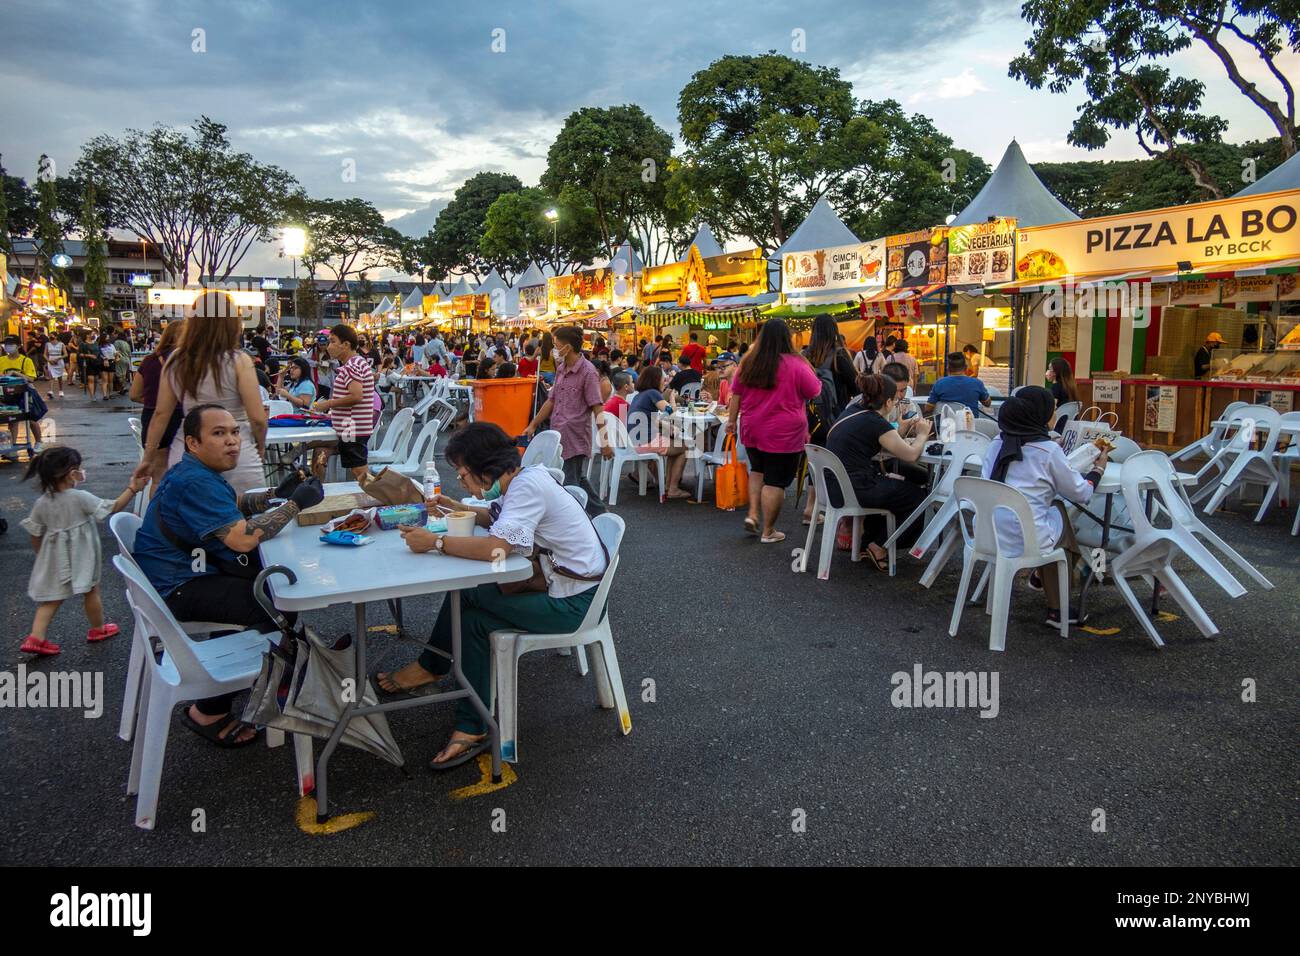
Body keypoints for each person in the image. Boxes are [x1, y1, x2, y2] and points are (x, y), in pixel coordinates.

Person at [377, 423, 608, 768]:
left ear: (485, 469)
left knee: (469, 601)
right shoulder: (523, 479)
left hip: (574, 604)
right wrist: (456, 505)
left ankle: (442, 682)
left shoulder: (527, 487)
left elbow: (496, 548)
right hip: (571, 589)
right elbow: (499, 518)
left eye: (463, 474)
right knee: (470, 608)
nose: (461, 482)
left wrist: (436, 542)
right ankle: (457, 702)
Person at [133, 404, 324, 745]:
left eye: (235, 432)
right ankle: (210, 709)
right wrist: (296, 504)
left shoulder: (193, 472)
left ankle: (263, 679)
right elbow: (241, 539)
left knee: (263, 587)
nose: (232, 441)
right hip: (179, 586)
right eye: (218, 434)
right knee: (276, 600)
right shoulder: (195, 482)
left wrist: (275, 495)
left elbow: (232, 506)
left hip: (179, 574)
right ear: (192, 443)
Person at [982, 386, 1106, 627]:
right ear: (1039, 415)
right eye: (1053, 409)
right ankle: (1057, 606)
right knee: (1060, 517)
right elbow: (1081, 493)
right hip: (1026, 537)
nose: (1055, 414)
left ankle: (1043, 579)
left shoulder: (996, 443)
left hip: (988, 532)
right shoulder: (1047, 451)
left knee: (1054, 513)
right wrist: (1098, 470)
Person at [18, 447, 145, 656]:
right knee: (91, 590)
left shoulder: (42, 502)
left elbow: (35, 532)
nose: (82, 472)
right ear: (71, 473)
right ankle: (98, 629)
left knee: (51, 599)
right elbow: (111, 508)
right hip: (81, 556)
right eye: (79, 468)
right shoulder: (80, 497)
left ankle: (36, 637)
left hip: (53, 558)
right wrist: (133, 489)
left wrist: (41, 555)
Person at [138, 297, 268, 496]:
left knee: (189, 518)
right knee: (245, 518)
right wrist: (259, 447)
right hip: (235, 450)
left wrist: (148, 458)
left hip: (189, 448)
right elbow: (258, 419)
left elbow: (161, 414)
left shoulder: (175, 360)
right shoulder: (239, 361)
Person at [725, 318, 821, 543]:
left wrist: (731, 421)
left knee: (757, 470)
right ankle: (768, 530)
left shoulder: (748, 362)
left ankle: (753, 514)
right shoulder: (797, 364)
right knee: (775, 481)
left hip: (752, 427)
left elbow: (735, 396)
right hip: (784, 432)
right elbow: (814, 390)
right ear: (786, 338)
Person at [824, 374, 933, 571]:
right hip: (855, 488)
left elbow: (881, 440)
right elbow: (910, 454)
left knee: (892, 489)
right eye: (896, 400)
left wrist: (900, 428)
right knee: (918, 497)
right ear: (889, 401)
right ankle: (880, 546)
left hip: (834, 486)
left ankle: (868, 543)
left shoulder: (855, 411)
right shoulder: (875, 421)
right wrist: (923, 434)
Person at [524, 325, 611, 497]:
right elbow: (551, 400)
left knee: (569, 485)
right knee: (576, 479)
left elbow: (597, 407)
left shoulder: (588, 372)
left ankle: (578, 520)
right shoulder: (562, 368)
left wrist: (605, 441)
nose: (554, 349)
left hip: (575, 436)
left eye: (556, 345)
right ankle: (599, 513)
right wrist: (533, 424)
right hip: (559, 433)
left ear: (568, 347)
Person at [803, 314, 859, 525]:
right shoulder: (839, 356)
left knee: (815, 461)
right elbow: (856, 387)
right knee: (834, 462)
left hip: (810, 417)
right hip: (836, 418)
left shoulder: (806, 356)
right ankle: (836, 507)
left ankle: (811, 507)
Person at [308, 323, 376, 481]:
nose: (328, 346)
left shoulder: (352, 366)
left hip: (352, 428)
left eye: (332, 341)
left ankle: (381, 497)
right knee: (357, 469)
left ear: (346, 345)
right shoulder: (354, 364)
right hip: (350, 427)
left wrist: (329, 404)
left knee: (360, 472)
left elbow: (357, 396)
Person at [626, 365, 691, 499]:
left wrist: (666, 426)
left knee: (676, 444)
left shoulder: (639, 396)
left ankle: (668, 484)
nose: (665, 381)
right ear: (656, 380)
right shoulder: (653, 393)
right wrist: (672, 397)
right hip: (645, 441)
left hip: (635, 440)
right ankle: (672, 489)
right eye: (663, 378)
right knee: (685, 447)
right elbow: (669, 411)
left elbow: (651, 419)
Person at [130, 320, 186, 462]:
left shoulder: (149, 360)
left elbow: (134, 394)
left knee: (157, 477)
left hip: (152, 418)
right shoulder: (189, 361)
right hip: (181, 418)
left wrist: (154, 400)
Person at [0, 336, 46, 452]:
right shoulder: (1, 360)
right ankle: (12, 447)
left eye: (11, 344)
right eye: (6, 344)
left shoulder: (26, 360)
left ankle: (39, 441)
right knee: (12, 419)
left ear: (19, 346)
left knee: (30, 419)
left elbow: (31, 378)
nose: (8, 347)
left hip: (25, 394)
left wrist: (15, 373)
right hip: (7, 394)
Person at [925, 352, 992, 417]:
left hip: (946, 425)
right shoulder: (977, 383)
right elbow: (988, 403)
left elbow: (928, 408)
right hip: (970, 425)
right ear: (966, 368)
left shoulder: (939, 383)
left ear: (948, 369)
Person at [1045, 356, 1080, 431]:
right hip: (1069, 427)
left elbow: (1051, 409)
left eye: (1049, 369)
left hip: (1057, 427)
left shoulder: (1055, 388)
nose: (1047, 372)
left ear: (1055, 372)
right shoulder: (1071, 387)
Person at [44, 334, 68, 398]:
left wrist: (58, 358)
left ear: (56, 336)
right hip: (51, 360)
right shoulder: (47, 344)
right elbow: (45, 354)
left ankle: (61, 391)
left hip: (59, 361)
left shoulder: (61, 344)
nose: (51, 337)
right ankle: (50, 391)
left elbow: (66, 354)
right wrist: (49, 360)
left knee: (59, 377)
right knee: (51, 376)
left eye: (52, 335)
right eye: (50, 336)